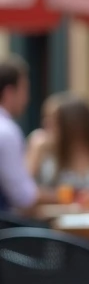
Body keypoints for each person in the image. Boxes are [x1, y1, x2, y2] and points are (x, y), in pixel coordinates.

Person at [0, 55, 38, 213]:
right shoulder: (6, 131)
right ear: (9, 92)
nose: (27, 99)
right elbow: (24, 198)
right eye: (24, 89)